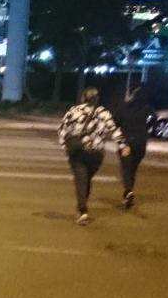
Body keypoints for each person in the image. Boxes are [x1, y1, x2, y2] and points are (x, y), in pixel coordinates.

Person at [58, 87, 130, 226]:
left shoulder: (74, 111)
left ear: (84, 98)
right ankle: (82, 206)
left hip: (78, 151)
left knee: (81, 180)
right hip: (96, 154)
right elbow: (114, 130)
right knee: (86, 179)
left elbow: (62, 130)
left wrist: (65, 148)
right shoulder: (103, 113)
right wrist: (123, 146)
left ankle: (82, 210)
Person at [113, 85, 153, 209]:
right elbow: (154, 119)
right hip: (141, 143)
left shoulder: (124, 108)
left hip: (126, 143)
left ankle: (128, 191)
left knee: (126, 168)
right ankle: (128, 192)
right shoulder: (147, 109)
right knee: (133, 169)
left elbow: (114, 123)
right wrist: (145, 129)